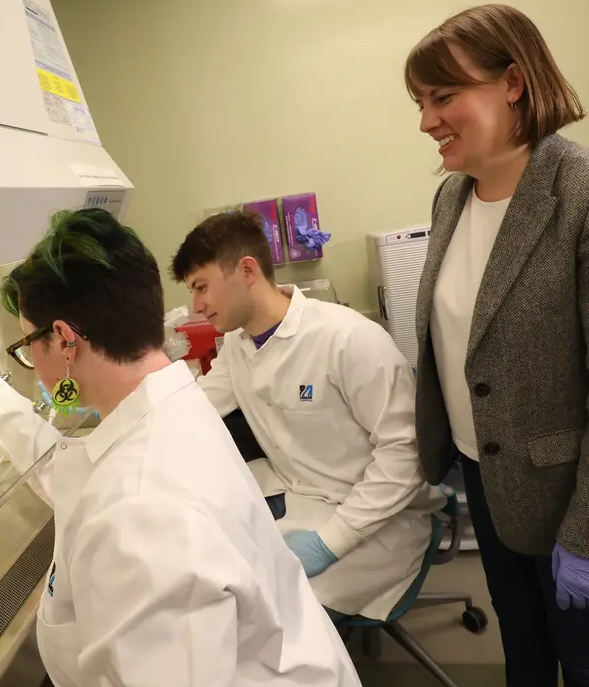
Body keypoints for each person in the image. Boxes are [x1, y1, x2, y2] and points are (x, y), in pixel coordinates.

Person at [0, 209, 372, 687]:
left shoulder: (140, 520)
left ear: (65, 340)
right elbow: (72, 470)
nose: (34, 362)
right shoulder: (170, 399)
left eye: (29, 344)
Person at [407, 4, 589, 687]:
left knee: (588, 665)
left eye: (443, 97)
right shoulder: (450, 198)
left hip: (574, 490)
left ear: (514, 84)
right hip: (486, 477)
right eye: (420, 102)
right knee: (522, 648)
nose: (427, 121)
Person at [170, 211, 444, 622]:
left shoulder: (347, 339)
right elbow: (195, 408)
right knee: (215, 586)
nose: (196, 306)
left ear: (246, 270)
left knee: (265, 615)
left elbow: (406, 456)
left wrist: (330, 544)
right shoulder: (238, 345)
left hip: (379, 521)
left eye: (202, 287)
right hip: (304, 501)